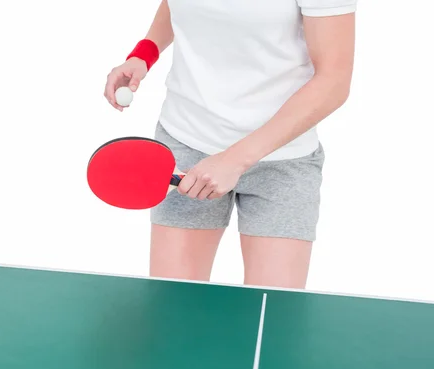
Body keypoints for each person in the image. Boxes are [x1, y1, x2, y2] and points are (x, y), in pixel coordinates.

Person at [104, 0, 356, 289]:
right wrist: (145, 52)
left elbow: (334, 81)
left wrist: (234, 160)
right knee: (174, 312)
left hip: (282, 159)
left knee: (273, 317)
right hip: (187, 142)